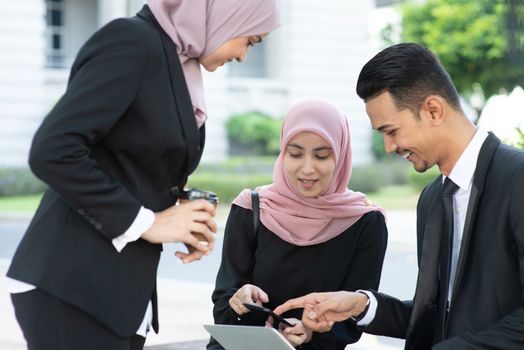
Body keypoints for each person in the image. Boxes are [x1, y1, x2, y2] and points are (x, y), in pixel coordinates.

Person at [5, 1, 279, 349]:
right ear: (224, 13)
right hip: (75, 286)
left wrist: (180, 214)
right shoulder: (133, 41)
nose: (243, 56)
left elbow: (130, 159)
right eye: (250, 40)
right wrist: (147, 222)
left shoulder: (178, 64)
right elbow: (53, 150)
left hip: (116, 294)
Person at [274, 43, 524, 350]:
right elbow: (434, 316)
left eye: (391, 131)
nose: (389, 146)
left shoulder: (517, 178)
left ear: (433, 110)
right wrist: (361, 306)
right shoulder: (432, 200)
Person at [207, 98, 388, 349]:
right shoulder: (252, 208)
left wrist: (312, 333)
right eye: (295, 154)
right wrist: (238, 301)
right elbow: (223, 302)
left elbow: (355, 315)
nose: (307, 169)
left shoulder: (366, 222)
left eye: (322, 156)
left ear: (341, 156)